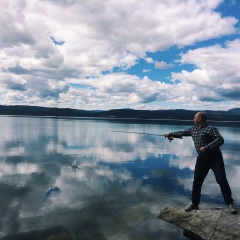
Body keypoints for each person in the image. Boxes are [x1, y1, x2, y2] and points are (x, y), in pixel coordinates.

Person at [164, 112, 237, 214]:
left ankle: (230, 203)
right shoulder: (193, 129)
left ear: (199, 119)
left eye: (195, 117)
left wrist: (206, 147)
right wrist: (170, 134)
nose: (193, 118)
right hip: (202, 159)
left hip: (215, 159)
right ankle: (194, 203)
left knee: (221, 180)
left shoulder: (211, 129)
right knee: (197, 182)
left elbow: (220, 140)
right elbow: (182, 132)